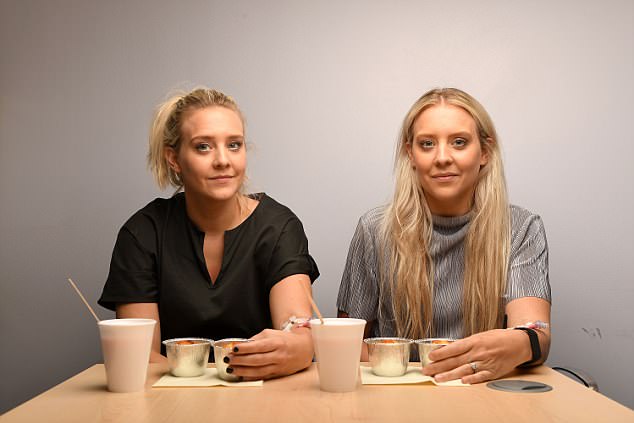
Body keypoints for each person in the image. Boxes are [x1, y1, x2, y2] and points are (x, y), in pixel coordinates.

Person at [98, 87, 319, 380]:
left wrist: (296, 345)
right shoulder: (142, 234)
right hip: (171, 405)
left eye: (234, 145)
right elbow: (139, 355)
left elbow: (298, 333)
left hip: (262, 397)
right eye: (203, 146)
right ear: (174, 159)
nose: (222, 160)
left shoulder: (279, 227)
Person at [337, 88, 551, 384]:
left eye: (459, 142)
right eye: (426, 144)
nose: (442, 158)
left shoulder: (521, 228)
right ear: (410, 154)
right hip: (397, 397)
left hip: (483, 391)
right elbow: (346, 343)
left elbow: (535, 335)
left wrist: (524, 342)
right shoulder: (375, 229)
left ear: (485, 152)